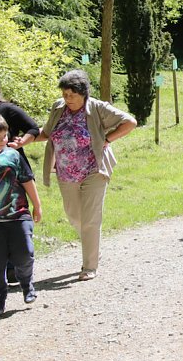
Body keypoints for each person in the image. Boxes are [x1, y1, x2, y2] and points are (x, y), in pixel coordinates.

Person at [33, 69, 136, 281]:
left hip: (93, 170)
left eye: (72, 95)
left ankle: (89, 266)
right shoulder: (58, 108)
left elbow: (130, 122)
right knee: (73, 215)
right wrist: (24, 139)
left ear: (83, 93)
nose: (67, 99)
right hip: (65, 172)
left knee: (90, 219)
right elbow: (46, 133)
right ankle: (93, 245)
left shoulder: (98, 108)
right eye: (65, 95)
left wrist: (108, 139)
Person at [0, 114, 43, 317]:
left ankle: (27, 284)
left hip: (18, 215)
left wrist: (37, 206)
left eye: (5, 136)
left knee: (24, 255)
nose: (2, 140)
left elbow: (27, 180)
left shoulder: (13, 155)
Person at [0, 73, 41, 286]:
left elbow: (34, 128)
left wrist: (21, 143)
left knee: (14, 216)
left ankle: (16, 267)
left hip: (13, 170)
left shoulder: (7, 110)